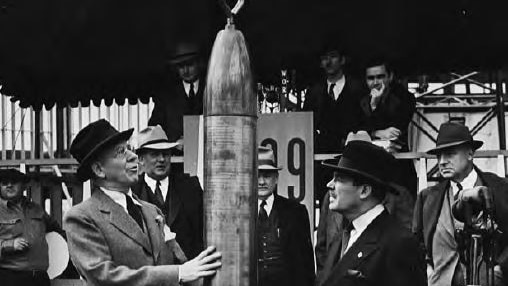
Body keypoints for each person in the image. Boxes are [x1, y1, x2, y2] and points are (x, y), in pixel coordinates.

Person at [64, 119, 221, 286]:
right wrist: (178, 274)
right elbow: (105, 277)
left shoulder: (152, 212)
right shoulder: (81, 217)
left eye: (130, 149)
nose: (133, 157)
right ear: (99, 170)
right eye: (121, 151)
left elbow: (182, 264)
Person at [317, 140, 426, 286]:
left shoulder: (399, 244)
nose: (329, 185)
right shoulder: (341, 238)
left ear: (364, 191)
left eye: (339, 179)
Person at [413, 121, 508, 286]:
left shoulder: (501, 189)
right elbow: (417, 244)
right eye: (439, 156)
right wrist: (429, 271)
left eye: (450, 154)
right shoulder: (427, 198)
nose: (442, 161)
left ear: (470, 154)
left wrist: (501, 268)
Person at [302, 40, 366, 204]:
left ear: (343, 60)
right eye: (324, 58)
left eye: (333, 57)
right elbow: (306, 124)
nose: (328, 62)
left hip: (352, 157)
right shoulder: (314, 92)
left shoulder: (358, 88)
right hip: (323, 159)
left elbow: (366, 121)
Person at [132, 125, 203, 259]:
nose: (161, 159)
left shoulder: (190, 187)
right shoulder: (131, 191)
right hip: (150, 273)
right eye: (154, 154)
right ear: (140, 159)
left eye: (165, 153)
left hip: (191, 270)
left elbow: (201, 232)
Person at [359, 57, 418, 201]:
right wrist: (376, 130)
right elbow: (354, 129)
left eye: (380, 77)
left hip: (398, 166)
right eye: (371, 78)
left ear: (390, 77)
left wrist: (376, 109)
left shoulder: (405, 98)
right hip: (369, 167)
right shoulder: (359, 101)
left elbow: (396, 130)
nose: (376, 82)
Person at [256, 146, 315, 286]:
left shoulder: (296, 212)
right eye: (257, 175)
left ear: (276, 178)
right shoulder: (240, 213)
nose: (261, 182)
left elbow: (306, 262)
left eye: (267, 175)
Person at [0, 169, 63, 286]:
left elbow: (57, 231)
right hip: (9, 277)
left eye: (13, 182)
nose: (9, 185)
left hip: (40, 277)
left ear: (24, 186)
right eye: (4, 183)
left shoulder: (37, 209)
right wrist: (9, 245)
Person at [149, 41, 206, 146]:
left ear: (199, 63)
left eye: (190, 64)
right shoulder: (166, 95)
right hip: (175, 158)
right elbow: (154, 129)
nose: (185, 70)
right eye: (181, 66)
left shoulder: (211, 90)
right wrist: (174, 143)